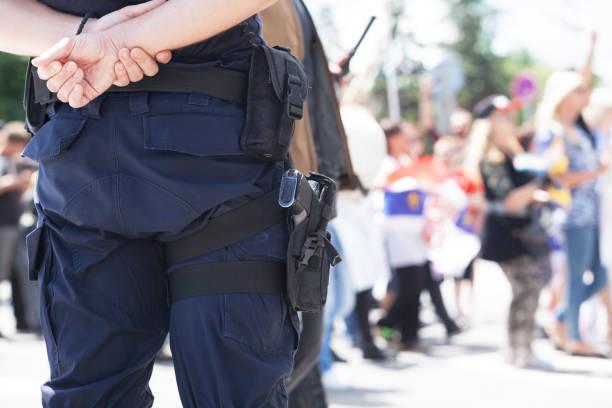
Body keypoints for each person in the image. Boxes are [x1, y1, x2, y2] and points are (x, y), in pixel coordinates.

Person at [0, 1, 316, 407]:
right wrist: (112, 41)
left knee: (90, 394)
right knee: (235, 390)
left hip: (83, 159)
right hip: (214, 162)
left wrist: (88, 38)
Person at [472, 95, 552, 368]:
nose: (509, 122)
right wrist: (538, 183)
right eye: (503, 117)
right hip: (506, 235)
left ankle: (520, 347)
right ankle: (518, 347)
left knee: (527, 289)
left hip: (519, 231)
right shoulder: (491, 158)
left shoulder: (510, 154)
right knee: (527, 287)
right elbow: (509, 200)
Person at [536, 68, 612, 357]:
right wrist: (599, 170)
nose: (584, 96)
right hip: (571, 215)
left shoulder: (579, 130)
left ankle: (558, 318)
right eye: (578, 92)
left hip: (590, 213)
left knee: (600, 275)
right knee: (577, 277)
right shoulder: (553, 131)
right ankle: (573, 336)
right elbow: (559, 177)